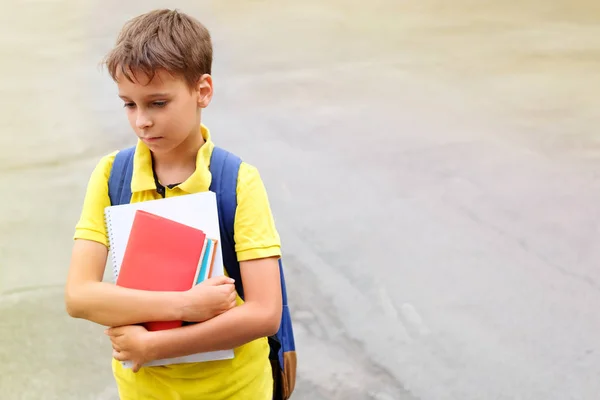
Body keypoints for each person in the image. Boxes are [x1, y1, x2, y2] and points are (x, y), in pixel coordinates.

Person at [64, 8, 283, 400]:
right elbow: (79, 296)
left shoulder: (237, 181)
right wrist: (185, 304)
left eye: (158, 103)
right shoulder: (112, 174)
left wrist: (153, 347)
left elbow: (265, 313)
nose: (141, 121)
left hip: (236, 390)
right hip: (142, 390)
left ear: (203, 91)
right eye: (129, 105)